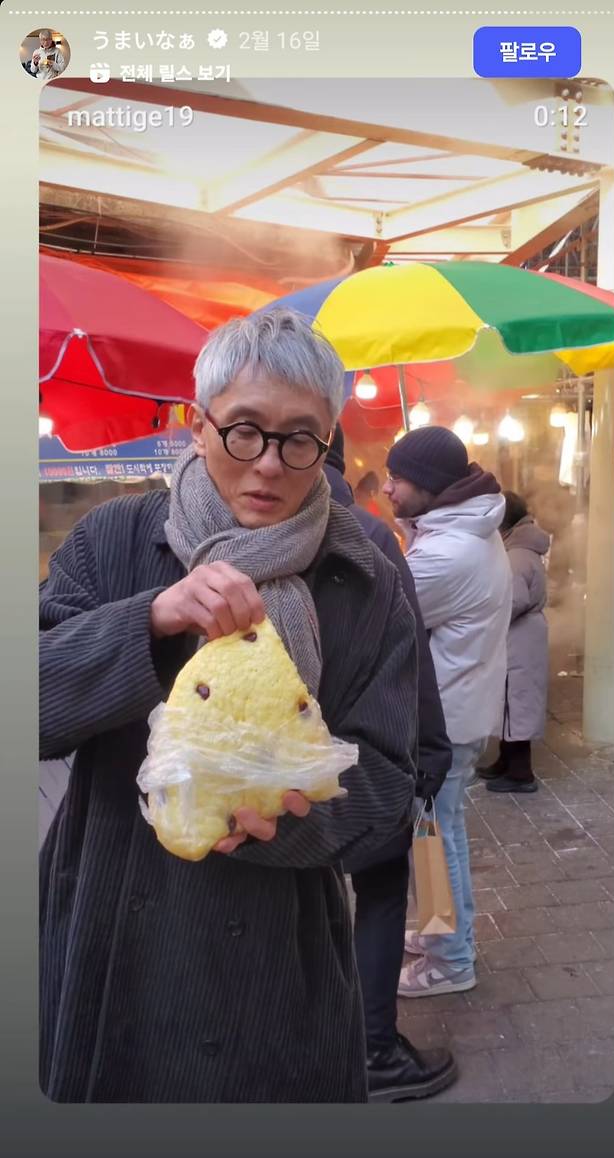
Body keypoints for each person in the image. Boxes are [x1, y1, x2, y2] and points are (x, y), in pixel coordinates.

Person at [39, 309, 420, 1103]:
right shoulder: (114, 540)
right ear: (197, 424)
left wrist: (288, 819)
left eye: (298, 439)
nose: (268, 465)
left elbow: (390, 784)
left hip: (278, 953)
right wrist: (148, 619)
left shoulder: (367, 576)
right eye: (243, 430)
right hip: (110, 926)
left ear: (329, 441)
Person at [324, 425, 457, 1102]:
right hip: (367, 759)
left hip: (269, 772)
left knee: (300, 901)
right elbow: (412, 663)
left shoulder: (218, 530)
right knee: (378, 896)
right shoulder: (367, 536)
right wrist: (430, 752)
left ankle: (318, 1040)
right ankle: (375, 1048)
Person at [381, 426, 512, 998]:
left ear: (432, 486)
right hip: (462, 707)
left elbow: (382, 616)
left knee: (431, 838)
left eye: (398, 478)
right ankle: (442, 934)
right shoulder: (465, 531)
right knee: (443, 832)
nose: (386, 488)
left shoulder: (448, 554)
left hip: (445, 719)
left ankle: (451, 960)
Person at [477, 491, 550, 793]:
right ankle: (505, 763)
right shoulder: (521, 550)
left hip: (518, 638)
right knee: (511, 702)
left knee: (516, 704)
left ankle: (521, 774)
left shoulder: (516, 555)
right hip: (522, 637)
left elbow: (514, 600)